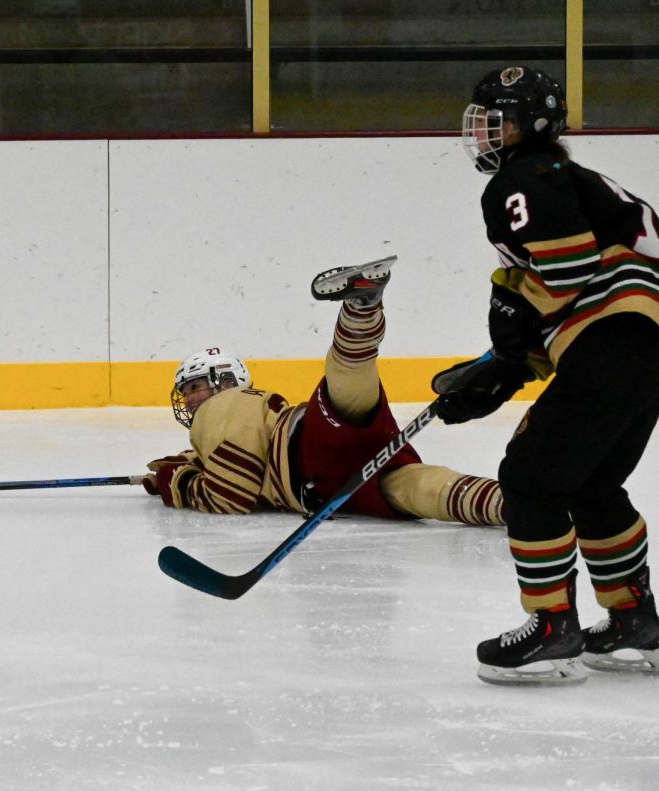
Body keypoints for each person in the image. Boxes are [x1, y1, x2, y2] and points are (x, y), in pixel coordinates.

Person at [431, 66, 659, 685]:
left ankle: (553, 627)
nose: (483, 133)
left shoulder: (525, 175)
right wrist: (506, 368)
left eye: (496, 120)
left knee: (529, 478)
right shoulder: (570, 177)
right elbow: (575, 286)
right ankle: (635, 619)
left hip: (614, 339)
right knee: (589, 484)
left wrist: (511, 317)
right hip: (639, 347)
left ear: (530, 125)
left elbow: (568, 266)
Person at [143, 255, 505, 532]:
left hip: (308, 451)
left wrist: (177, 481)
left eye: (194, 387)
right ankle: (521, 505)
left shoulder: (220, 408)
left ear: (224, 382)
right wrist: (189, 463)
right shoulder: (237, 417)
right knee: (422, 488)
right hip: (331, 479)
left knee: (351, 390)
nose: (189, 399)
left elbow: (231, 494)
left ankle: (360, 308)